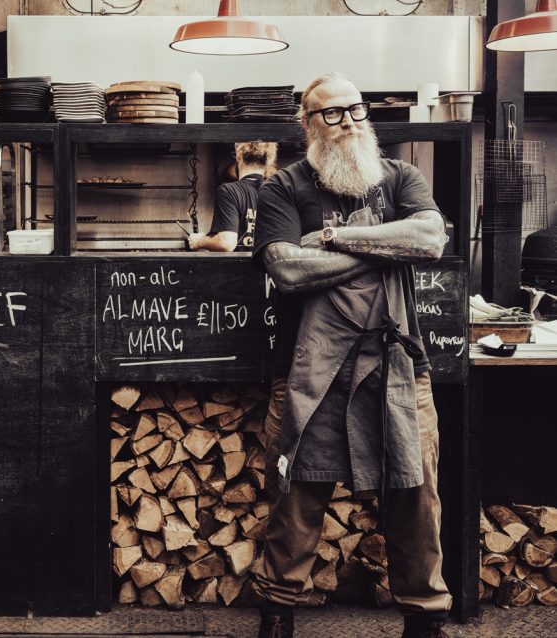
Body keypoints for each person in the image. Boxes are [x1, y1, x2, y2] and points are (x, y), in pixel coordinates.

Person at [250, 72, 452, 638]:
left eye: (355, 110)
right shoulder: (283, 188)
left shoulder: (401, 177)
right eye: (331, 114)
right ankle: (276, 617)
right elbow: (287, 269)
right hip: (310, 370)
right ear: (308, 124)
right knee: (296, 501)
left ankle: (425, 619)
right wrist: (386, 250)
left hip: (398, 366)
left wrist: (338, 240)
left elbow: (430, 240)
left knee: (416, 497)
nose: (347, 123)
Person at [187, 141, 277, 252]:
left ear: (239, 155)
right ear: (270, 161)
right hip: (268, 268)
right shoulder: (278, 192)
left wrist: (199, 242)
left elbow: (226, 243)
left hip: (238, 268)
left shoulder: (228, 191)